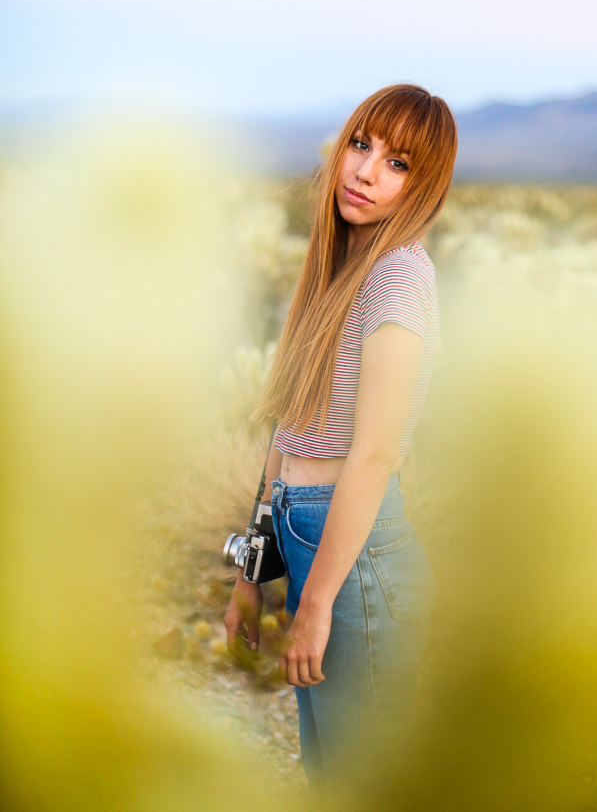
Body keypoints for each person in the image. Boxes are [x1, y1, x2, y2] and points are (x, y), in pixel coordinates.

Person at [224, 83, 458, 786]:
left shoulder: (397, 278)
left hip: (358, 565)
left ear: (424, 188)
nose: (364, 172)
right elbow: (289, 434)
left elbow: (377, 451)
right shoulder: (338, 274)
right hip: (314, 543)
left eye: (398, 164)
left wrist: (318, 600)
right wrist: (251, 573)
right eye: (362, 145)